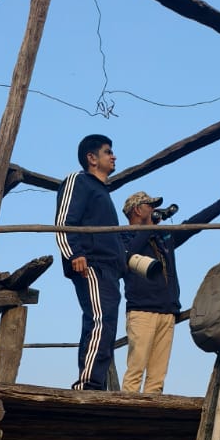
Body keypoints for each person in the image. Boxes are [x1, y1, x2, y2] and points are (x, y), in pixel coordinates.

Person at [120, 180, 220, 393]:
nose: (154, 209)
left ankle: (148, 421)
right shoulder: (122, 235)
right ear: (137, 209)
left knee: (157, 377)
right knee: (135, 371)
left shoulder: (163, 235)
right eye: (149, 205)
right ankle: (124, 421)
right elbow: (128, 254)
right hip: (141, 311)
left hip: (167, 312)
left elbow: (195, 224)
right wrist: (150, 227)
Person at [55, 134, 127, 390]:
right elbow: (64, 222)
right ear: (91, 158)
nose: (113, 156)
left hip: (110, 269)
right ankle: (89, 384)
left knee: (107, 324)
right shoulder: (79, 180)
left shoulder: (103, 193)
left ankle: (96, 382)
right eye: (108, 151)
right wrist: (74, 254)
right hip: (91, 263)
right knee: (99, 320)